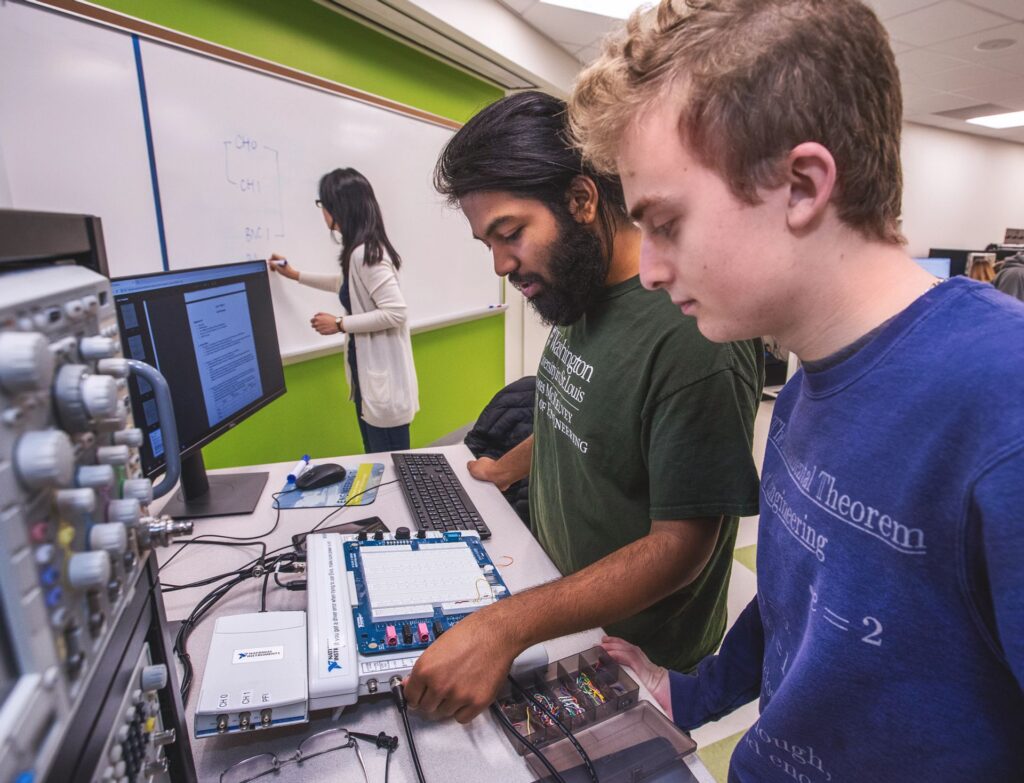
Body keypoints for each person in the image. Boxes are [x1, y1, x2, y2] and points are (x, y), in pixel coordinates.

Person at [569, 0, 1024, 780]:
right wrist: (686, 695)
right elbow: (798, 604)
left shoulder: (1002, 401)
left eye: (667, 222)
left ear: (803, 184)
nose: (647, 268)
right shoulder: (809, 378)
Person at [403, 90, 764, 723]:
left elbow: (683, 548)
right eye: (487, 242)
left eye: (510, 234)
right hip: (552, 600)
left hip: (628, 654)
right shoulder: (578, 286)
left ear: (581, 200)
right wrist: (500, 470)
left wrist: (506, 626)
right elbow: (577, 413)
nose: (500, 264)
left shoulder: (692, 335)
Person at [270, 167, 418, 452]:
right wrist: (295, 274)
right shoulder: (359, 251)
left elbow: (396, 312)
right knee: (377, 458)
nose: (322, 211)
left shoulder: (366, 254)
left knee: (390, 462)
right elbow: (345, 285)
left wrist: (339, 323)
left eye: (323, 204)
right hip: (369, 379)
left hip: (382, 383)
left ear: (338, 207)